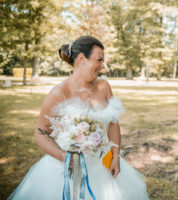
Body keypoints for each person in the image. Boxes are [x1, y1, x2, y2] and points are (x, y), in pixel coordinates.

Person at [8, 36, 149, 200]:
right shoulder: (58, 93)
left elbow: (112, 124)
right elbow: (40, 133)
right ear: (82, 59)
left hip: (101, 164)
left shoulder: (104, 87)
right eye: (99, 60)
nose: (103, 66)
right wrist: (63, 157)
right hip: (65, 169)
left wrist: (116, 157)